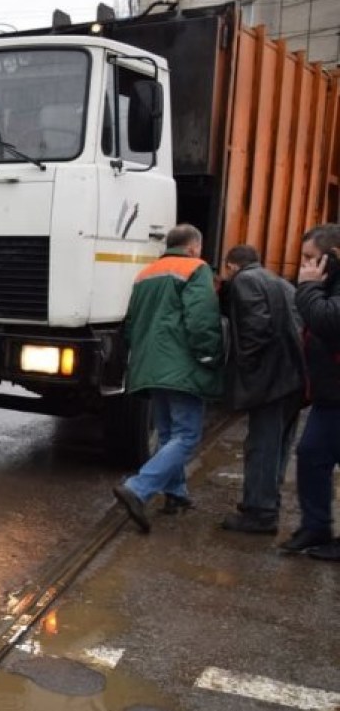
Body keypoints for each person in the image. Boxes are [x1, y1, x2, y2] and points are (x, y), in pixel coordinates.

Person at [113, 223, 224, 533]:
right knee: (187, 435)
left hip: (148, 364)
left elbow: (131, 323)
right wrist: (209, 355)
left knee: (167, 433)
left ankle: (176, 495)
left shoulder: (146, 273)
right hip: (180, 366)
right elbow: (201, 317)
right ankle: (138, 488)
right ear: (193, 247)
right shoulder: (195, 268)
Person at [218, 245, 305, 534]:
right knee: (278, 445)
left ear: (231, 266)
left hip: (271, 380)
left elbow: (256, 328)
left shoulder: (245, 281)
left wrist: (247, 370)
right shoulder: (279, 282)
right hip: (293, 377)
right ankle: (267, 502)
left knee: (262, 446)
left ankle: (260, 513)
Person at [280, 223, 340, 559]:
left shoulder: (322, 290)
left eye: (310, 258)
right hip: (329, 396)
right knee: (311, 455)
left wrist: (307, 288)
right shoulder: (326, 287)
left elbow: (328, 321)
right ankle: (316, 527)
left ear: (332, 258)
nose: (303, 265)